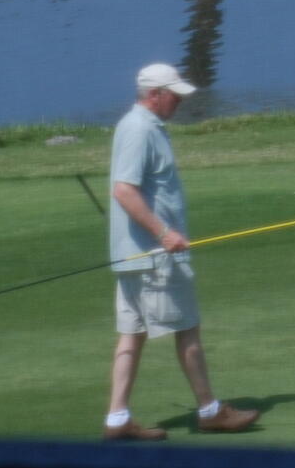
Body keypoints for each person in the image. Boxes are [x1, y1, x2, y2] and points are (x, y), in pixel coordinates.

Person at [103, 63, 259, 439]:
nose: (180, 100)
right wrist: (164, 233)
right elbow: (124, 190)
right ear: (154, 94)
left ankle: (117, 420)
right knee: (187, 328)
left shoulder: (140, 126)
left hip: (136, 255)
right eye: (174, 94)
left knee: (132, 334)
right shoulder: (140, 129)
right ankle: (210, 411)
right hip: (155, 256)